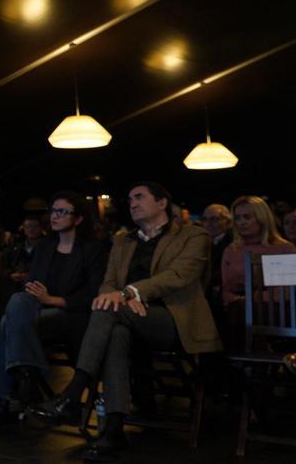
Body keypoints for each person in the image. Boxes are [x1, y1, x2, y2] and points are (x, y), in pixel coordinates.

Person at [28, 182, 221, 462]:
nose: (132, 202)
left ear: (162, 202)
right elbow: (107, 283)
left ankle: (73, 393)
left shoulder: (193, 235)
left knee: (109, 309)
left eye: (139, 197)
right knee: (115, 330)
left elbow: (179, 275)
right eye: (129, 198)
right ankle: (115, 429)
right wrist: (118, 296)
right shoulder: (123, 241)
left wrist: (130, 292)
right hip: (125, 316)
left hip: (174, 319)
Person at [0, 192, 108, 428]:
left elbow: (92, 295)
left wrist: (52, 299)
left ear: (78, 219)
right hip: (36, 308)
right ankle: (26, 377)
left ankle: (10, 400)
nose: (55, 216)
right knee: (18, 300)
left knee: (7, 323)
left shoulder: (93, 249)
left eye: (62, 211)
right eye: (53, 211)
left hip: (72, 314)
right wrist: (34, 292)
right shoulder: (46, 245)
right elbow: (32, 283)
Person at [220, 196, 296, 350]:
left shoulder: (284, 248)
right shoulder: (231, 250)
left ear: (262, 218)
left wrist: (251, 297)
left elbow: (287, 292)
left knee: (241, 310)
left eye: (247, 217)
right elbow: (226, 289)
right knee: (232, 310)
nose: (241, 222)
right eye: (237, 218)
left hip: (276, 308)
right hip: (237, 307)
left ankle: (241, 361)